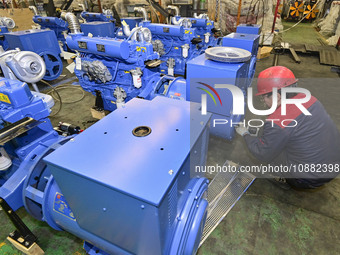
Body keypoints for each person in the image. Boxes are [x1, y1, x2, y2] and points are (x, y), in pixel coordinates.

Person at [236, 66, 340, 189]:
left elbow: (262, 153)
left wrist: (246, 134)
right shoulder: (311, 99)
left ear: (278, 97)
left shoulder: (278, 121)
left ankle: (283, 178)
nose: (263, 101)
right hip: (334, 165)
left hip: (309, 178)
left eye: (264, 97)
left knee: (269, 153)